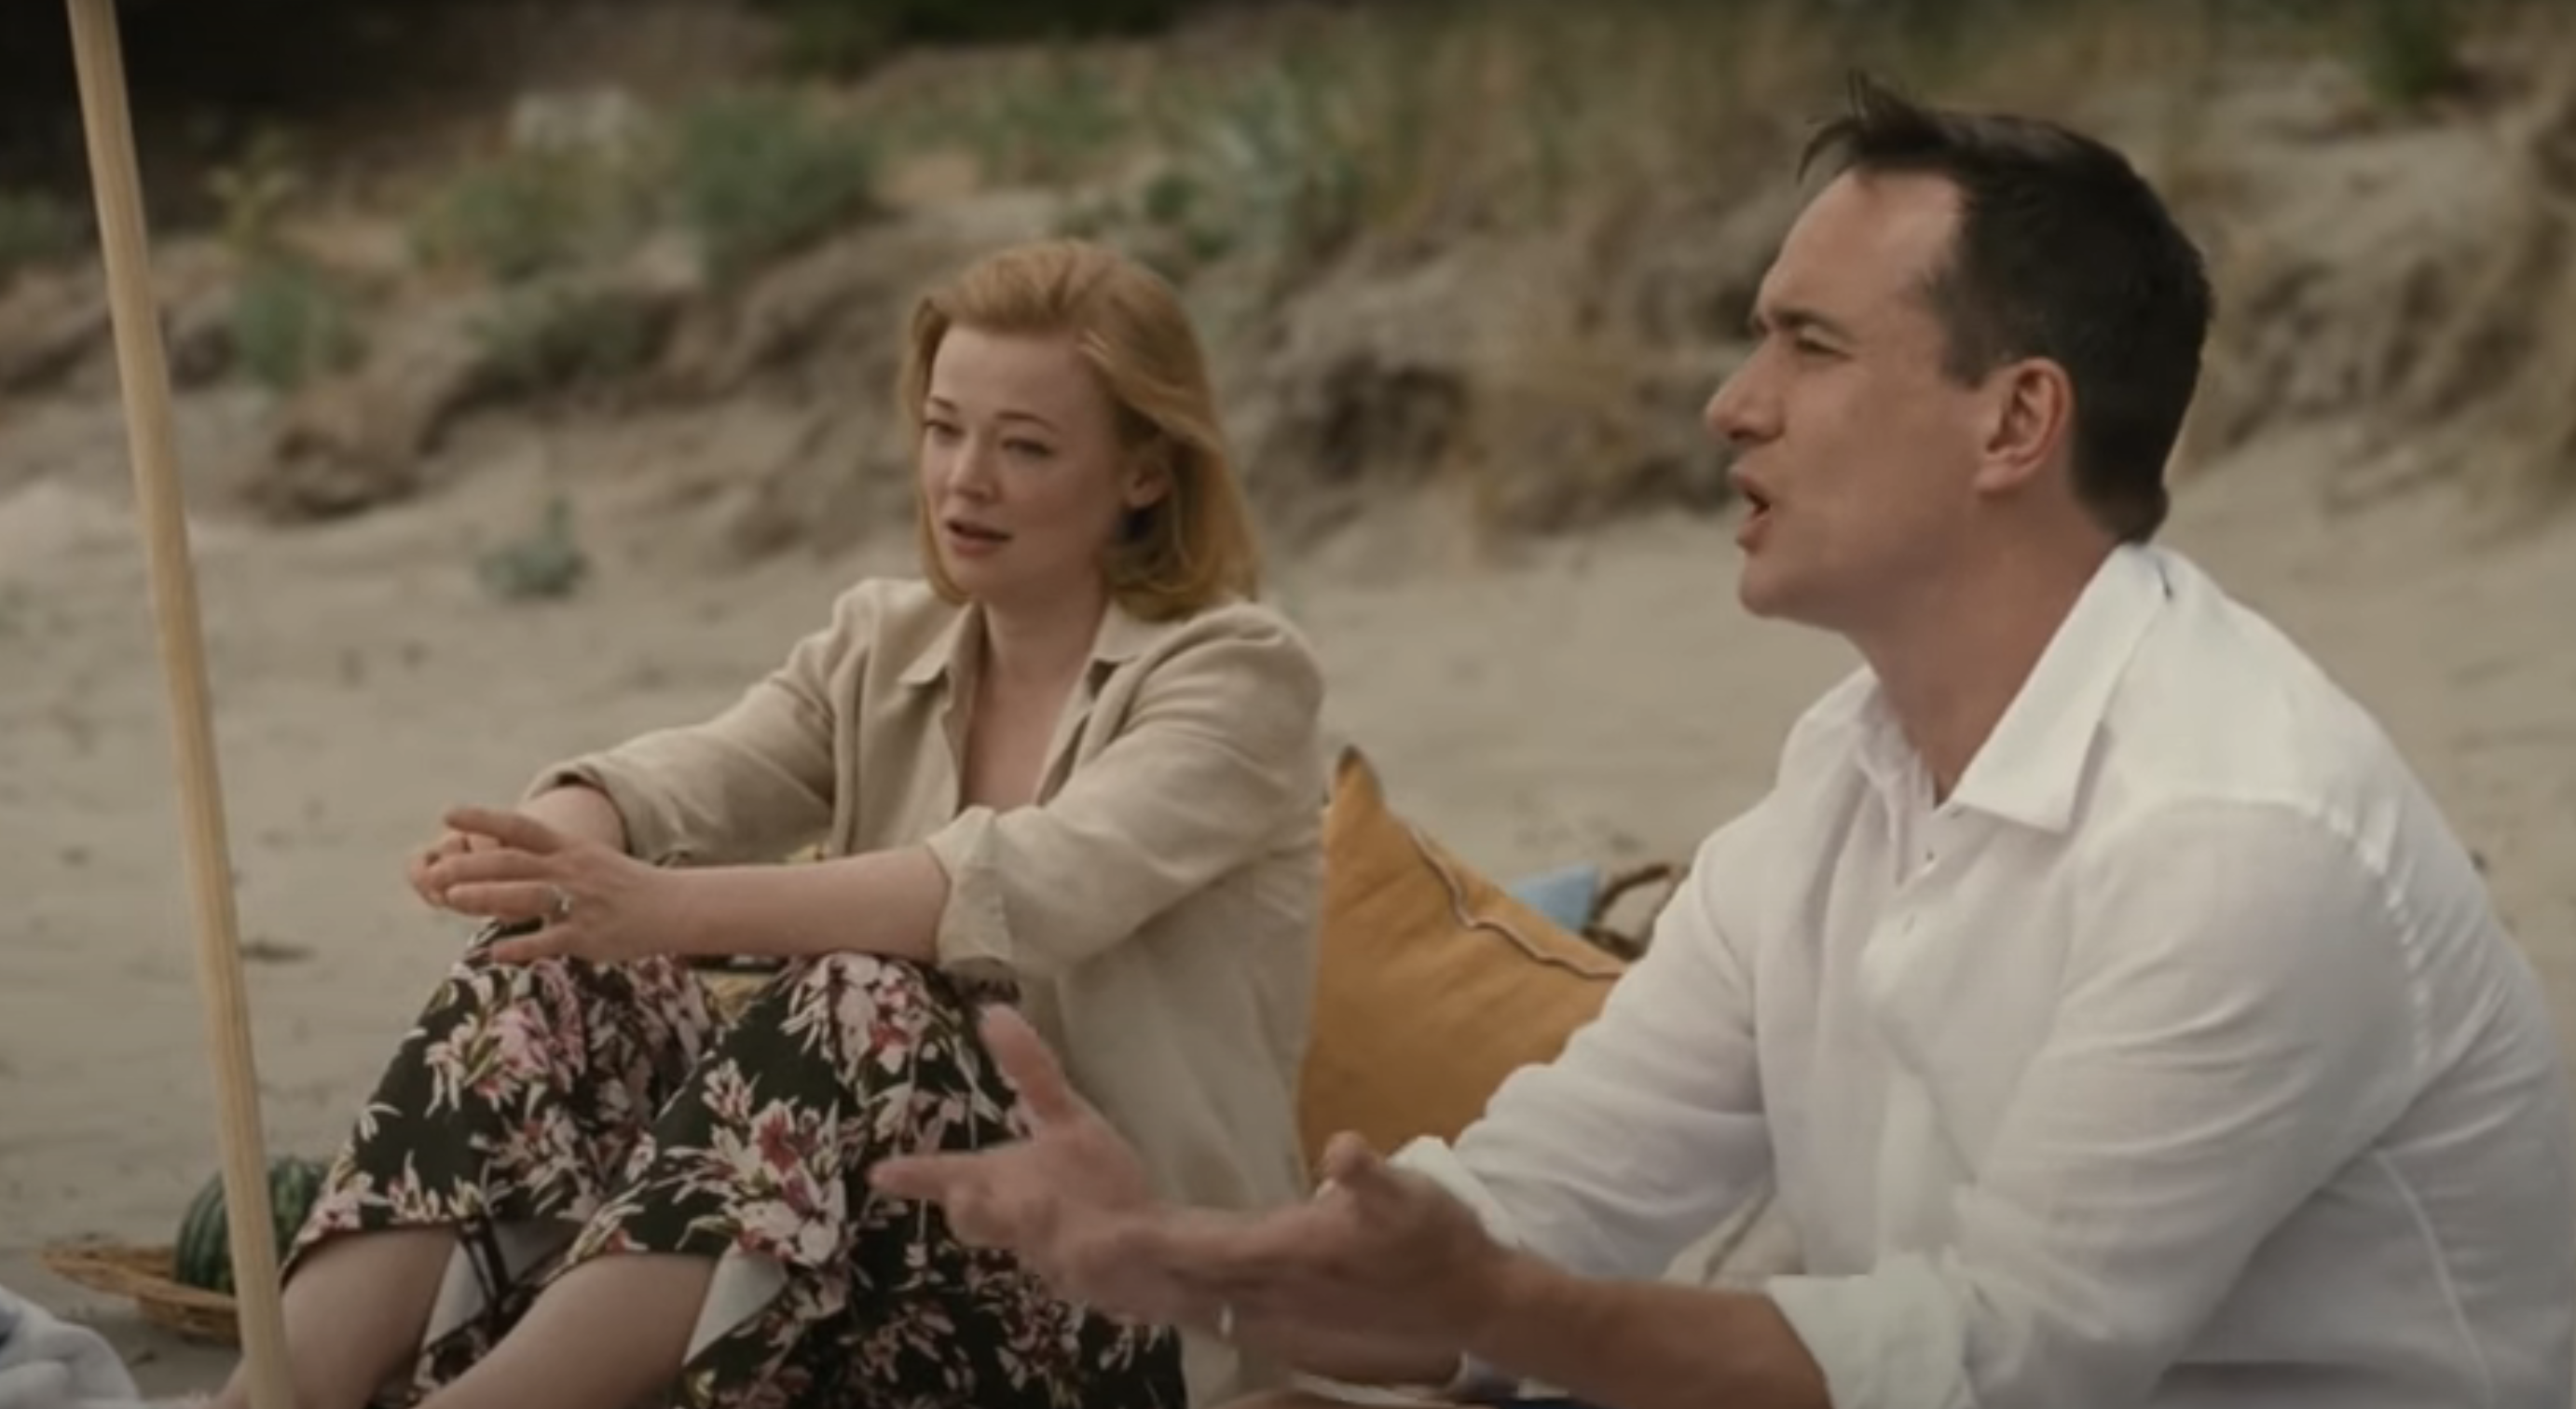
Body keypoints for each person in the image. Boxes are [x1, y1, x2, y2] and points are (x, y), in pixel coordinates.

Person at [869, 75, 2576, 1409]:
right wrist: (1193, 1254)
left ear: (2014, 419)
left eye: (1806, 344)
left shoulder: (2233, 831)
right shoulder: (1847, 767)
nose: (1728, 401)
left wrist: (1491, 1308)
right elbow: (1551, 1187)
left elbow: (1994, 1364)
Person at [208, 239, 1329, 1409]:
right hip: (875, 1257)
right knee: (549, 969)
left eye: (1026, 446)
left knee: (868, 996)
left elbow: (1017, 885)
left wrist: (659, 908)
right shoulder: (881, 642)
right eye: (944, 430)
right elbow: (698, 775)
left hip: (1131, 1315)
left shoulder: (1237, 675)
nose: (964, 481)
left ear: (1144, 472)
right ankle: (273, 1398)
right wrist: (550, 841)